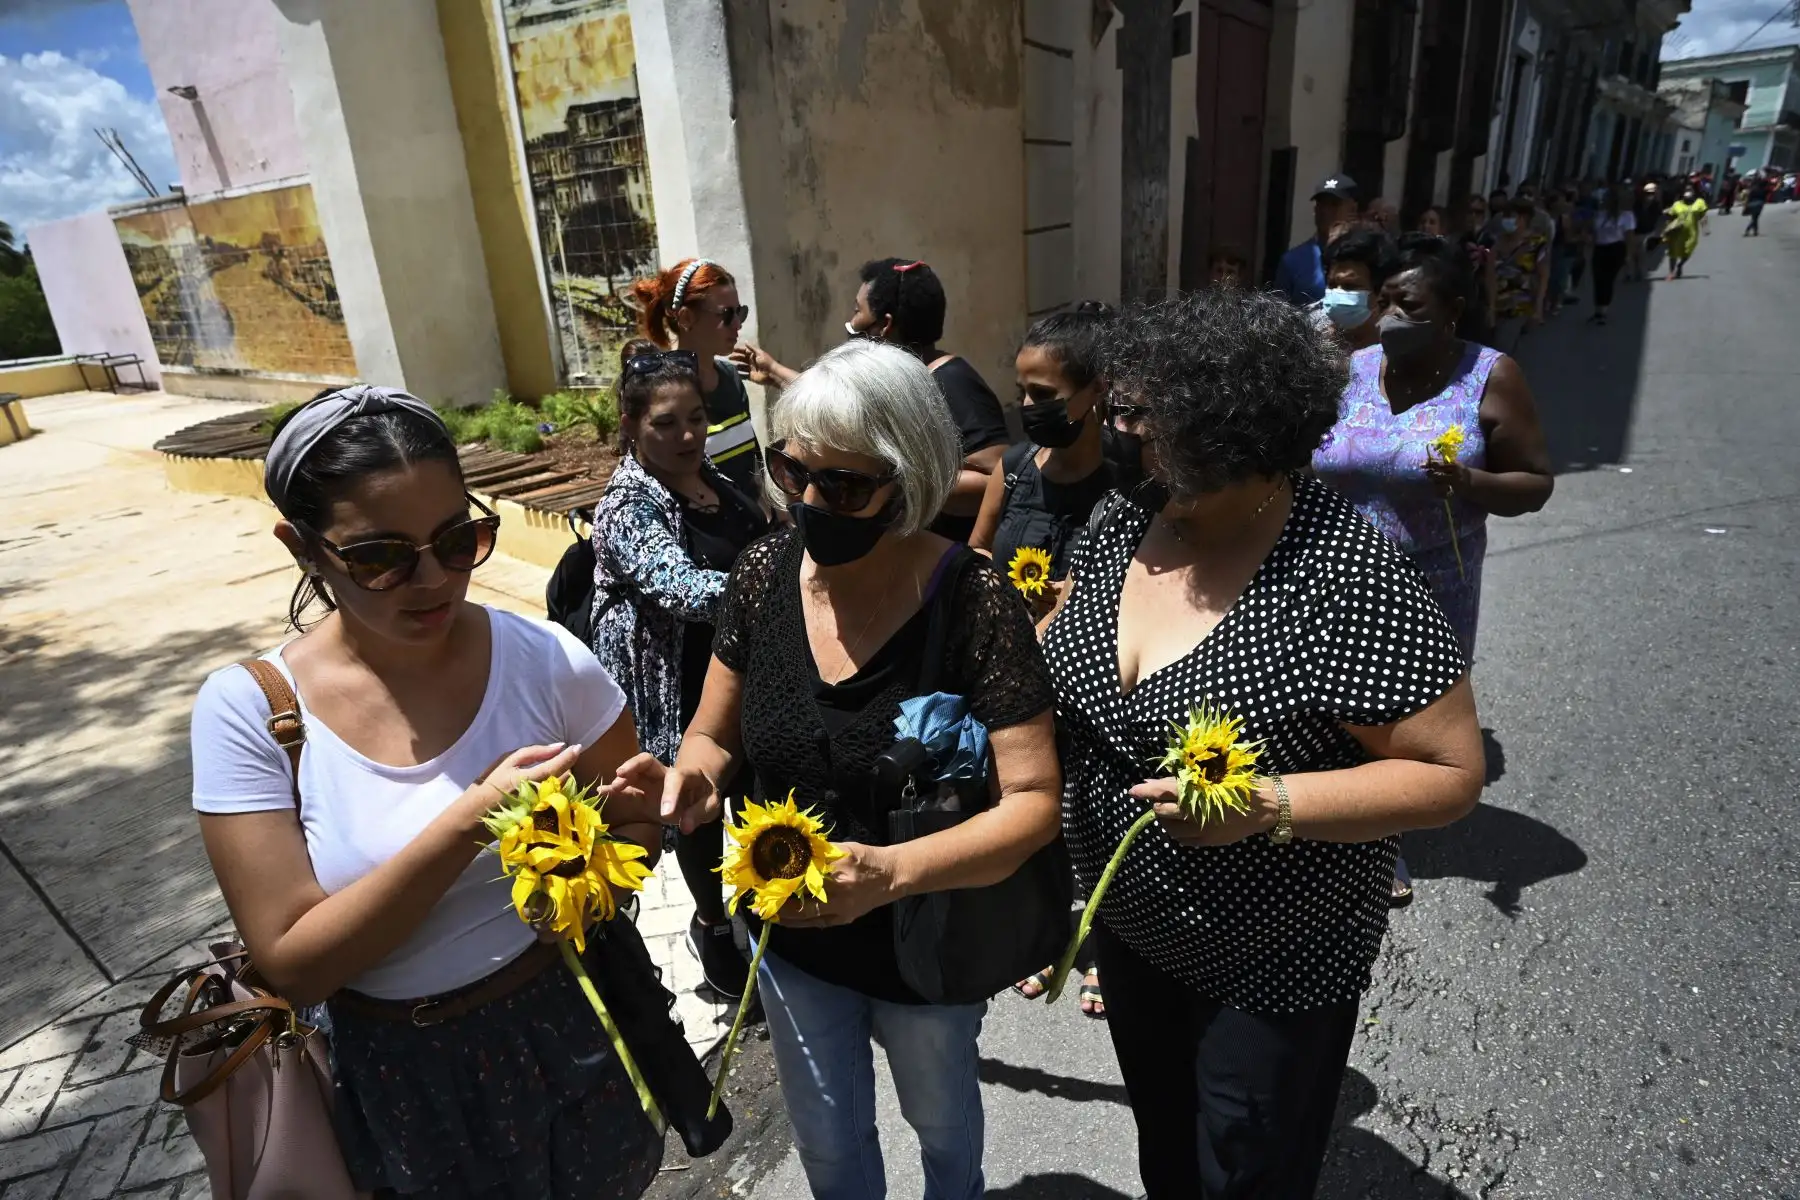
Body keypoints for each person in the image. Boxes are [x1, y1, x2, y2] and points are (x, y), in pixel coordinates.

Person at [1040, 289, 1486, 1199]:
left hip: (1273, 955)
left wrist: (1270, 806)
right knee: (1166, 1144)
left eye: (1137, 416)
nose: (1112, 430)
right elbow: (1075, 666)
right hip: (1135, 929)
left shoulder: (1343, 572)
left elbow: (1450, 773)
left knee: (1245, 1168)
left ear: (1229, 433)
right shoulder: (1129, 518)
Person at [189, 387, 667, 1196]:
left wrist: (634, 828)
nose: (433, 578)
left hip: (565, 1022)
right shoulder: (252, 712)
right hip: (399, 1068)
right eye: (381, 555)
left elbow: (632, 837)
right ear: (302, 547)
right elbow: (295, 966)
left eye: (458, 540)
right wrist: (469, 824)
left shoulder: (545, 660)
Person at [645, 340, 1062, 1199]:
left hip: (928, 943)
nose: (807, 502)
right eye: (792, 472)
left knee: (945, 1133)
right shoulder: (762, 575)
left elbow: (1033, 801)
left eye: (841, 486)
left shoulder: (973, 601)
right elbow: (712, 736)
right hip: (793, 934)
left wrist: (893, 872)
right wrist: (689, 780)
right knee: (831, 1151)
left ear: (908, 483)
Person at [1312, 235, 1553, 906]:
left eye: (1406, 303)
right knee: (1332, 711)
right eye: (1384, 300)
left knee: (1403, 721)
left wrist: (1469, 479)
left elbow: (1534, 484)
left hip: (1431, 587)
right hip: (1337, 576)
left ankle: (1384, 842)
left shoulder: (1490, 375)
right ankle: (1330, 826)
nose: (1387, 314)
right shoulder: (1353, 368)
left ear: (1450, 312)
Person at [590, 343, 774, 999]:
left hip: (739, 668)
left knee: (753, 788)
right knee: (695, 807)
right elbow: (681, 589)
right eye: (666, 423)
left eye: (695, 417)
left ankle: (760, 898)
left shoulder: (714, 480)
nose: (687, 434)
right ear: (632, 427)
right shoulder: (625, 507)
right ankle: (712, 921)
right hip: (678, 681)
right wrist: (777, 586)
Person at [967, 302, 1119, 1019]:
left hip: (1096, 683)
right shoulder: (1016, 468)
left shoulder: (1130, 481)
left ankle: (1107, 945)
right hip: (1015, 682)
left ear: (1096, 392)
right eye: (1021, 391)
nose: (1027, 407)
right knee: (1030, 811)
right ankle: (1047, 931)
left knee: (1095, 813)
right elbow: (974, 553)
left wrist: (1069, 606)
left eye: (1044, 396)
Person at [734, 260, 1010, 544]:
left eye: (857, 310)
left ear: (885, 324)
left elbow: (998, 478)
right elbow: (845, 410)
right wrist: (775, 371)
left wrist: (901, 480)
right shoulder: (889, 382)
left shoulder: (954, 384)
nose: (852, 322)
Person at [629, 258, 764, 495]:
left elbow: (751, 464)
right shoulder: (661, 391)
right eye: (726, 315)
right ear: (686, 318)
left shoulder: (730, 376)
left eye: (740, 313)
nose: (737, 325)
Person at [1275, 173, 1358, 305]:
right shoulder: (1293, 261)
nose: (1325, 211)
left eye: (1334, 204)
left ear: (1352, 209)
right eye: (1321, 204)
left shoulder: (1365, 257)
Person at [1316, 226, 1399, 352]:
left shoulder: (1394, 354)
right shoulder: (1312, 345)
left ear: (1380, 295)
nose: (1337, 293)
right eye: (1332, 285)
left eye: (1350, 286)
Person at [1488, 196, 1549, 354]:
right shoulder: (1496, 242)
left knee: (1502, 349)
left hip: (1520, 306)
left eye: (1512, 216)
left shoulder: (1536, 243)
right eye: (1506, 215)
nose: (1507, 220)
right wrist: (1491, 306)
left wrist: (1539, 307)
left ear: (1524, 218)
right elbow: (1490, 275)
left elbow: (1543, 275)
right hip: (1497, 304)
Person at [1452, 195, 1499, 346]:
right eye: (1470, 211)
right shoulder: (1452, 238)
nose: (1473, 216)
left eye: (1478, 212)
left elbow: (1489, 274)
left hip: (1476, 301)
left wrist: (1491, 307)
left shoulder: (1487, 240)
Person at [1587, 185, 1634, 325]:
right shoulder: (1599, 214)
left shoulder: (1626, 216)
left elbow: (1629, 236)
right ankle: (1597, 309)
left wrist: (1628, 255)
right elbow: (1593, 232)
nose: (1603, 201)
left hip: (1615, 248)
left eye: (1607, 199)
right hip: (1600, 248)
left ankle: (1603, 311)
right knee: (1597, 279)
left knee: (1607, 279)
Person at [1664, 185, 1709, 280]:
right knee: (1673, 252)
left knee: (1688, 251)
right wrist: (1667, 229)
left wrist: (1705, 228)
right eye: (1686, 190)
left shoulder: (1699, 203)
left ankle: (1680, 265)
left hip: (1691, 233)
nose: (1688, 192)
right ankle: (1671, 272)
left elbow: (1703, 216)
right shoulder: (1677, 205)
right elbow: (1670, 217)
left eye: (1690, 190)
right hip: (1677, 233)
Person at [1744, 171, 1767, 236]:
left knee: (1754, 218)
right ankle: (1750, 230)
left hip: (1753, 204)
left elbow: (1749, 198)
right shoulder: (1763, 190)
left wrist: (1746, 205)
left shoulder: (1753, 189)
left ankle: (1754, 231)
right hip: (1759, 204)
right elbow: (1764, 198)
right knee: (1755, 218)